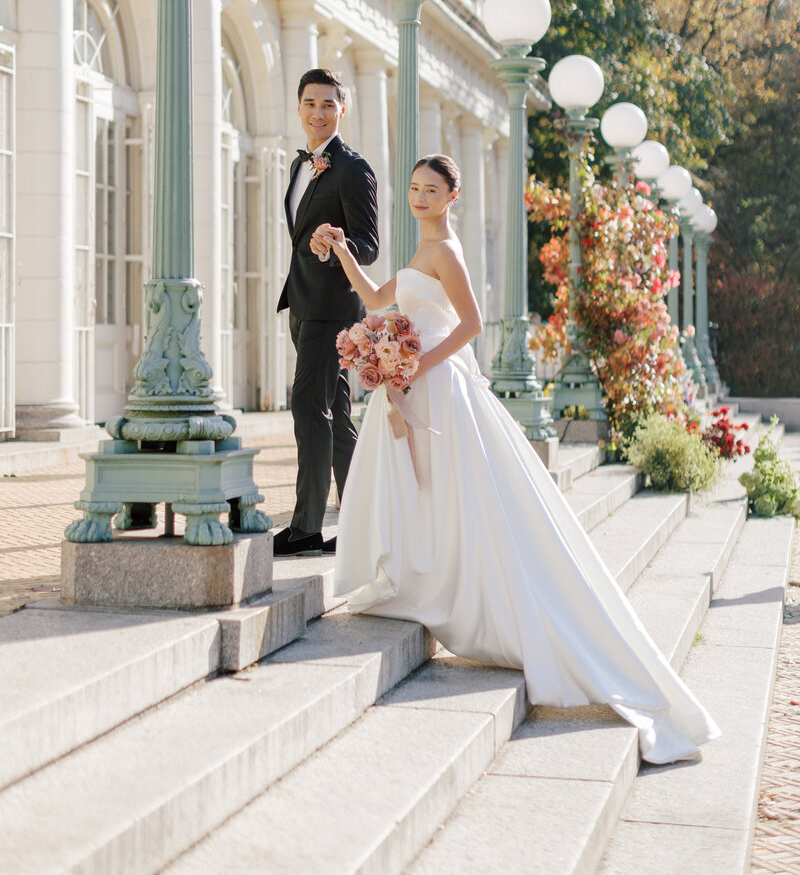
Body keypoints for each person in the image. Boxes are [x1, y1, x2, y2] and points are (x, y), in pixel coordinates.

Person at [311, 154, 719, 764]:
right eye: (415, 188)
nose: (420, 197)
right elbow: (373, 296)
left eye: (432, 190)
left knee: (456, 493)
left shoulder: (445, 250)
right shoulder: (419, 252)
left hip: (440, 387)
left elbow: (472, 324)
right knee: (422, 490)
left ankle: (448, 586)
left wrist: (416, 363)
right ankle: (420, 575)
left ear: (453, 196)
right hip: (411, 383)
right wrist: (342, 249)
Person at [274, 68, 379, 557]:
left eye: (328, 104)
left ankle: (306, 528)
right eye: (310, 103)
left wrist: (338, 242)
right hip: (302, 304)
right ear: (299, 107)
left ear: (343, 109)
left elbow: (369, 245)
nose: (319, 113)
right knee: (334, 412)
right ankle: (364, 521)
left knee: (308, 409)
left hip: (333, 308)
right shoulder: (300, 167)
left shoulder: (352, 169)